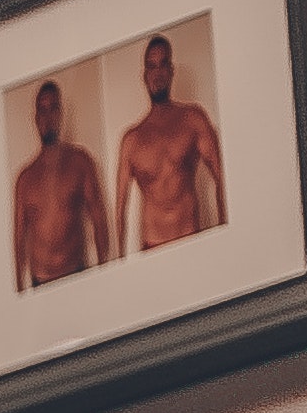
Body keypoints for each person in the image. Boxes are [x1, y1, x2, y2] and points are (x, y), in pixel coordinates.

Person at [118, 33, 225, 252]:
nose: (157, 73)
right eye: (151, 66)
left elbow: (222, 176)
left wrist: (226, 232)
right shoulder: (132, 140)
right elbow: (120, 208)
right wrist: (120, 268)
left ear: (171, 70)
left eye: (163, 64)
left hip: (191, 239)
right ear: (144, 75)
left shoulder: (193, 119)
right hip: (152, 247)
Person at [13, 76, 110, 287]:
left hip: (76, 274)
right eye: (43, 110)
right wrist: (19, 291)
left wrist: (106, 274)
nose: (48, 117)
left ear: (61, 113)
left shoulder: (81, 162)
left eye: (53, 108)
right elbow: (19, 239)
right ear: (36, 117)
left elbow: (98, 218)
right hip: (40, 283)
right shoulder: (25, 179)